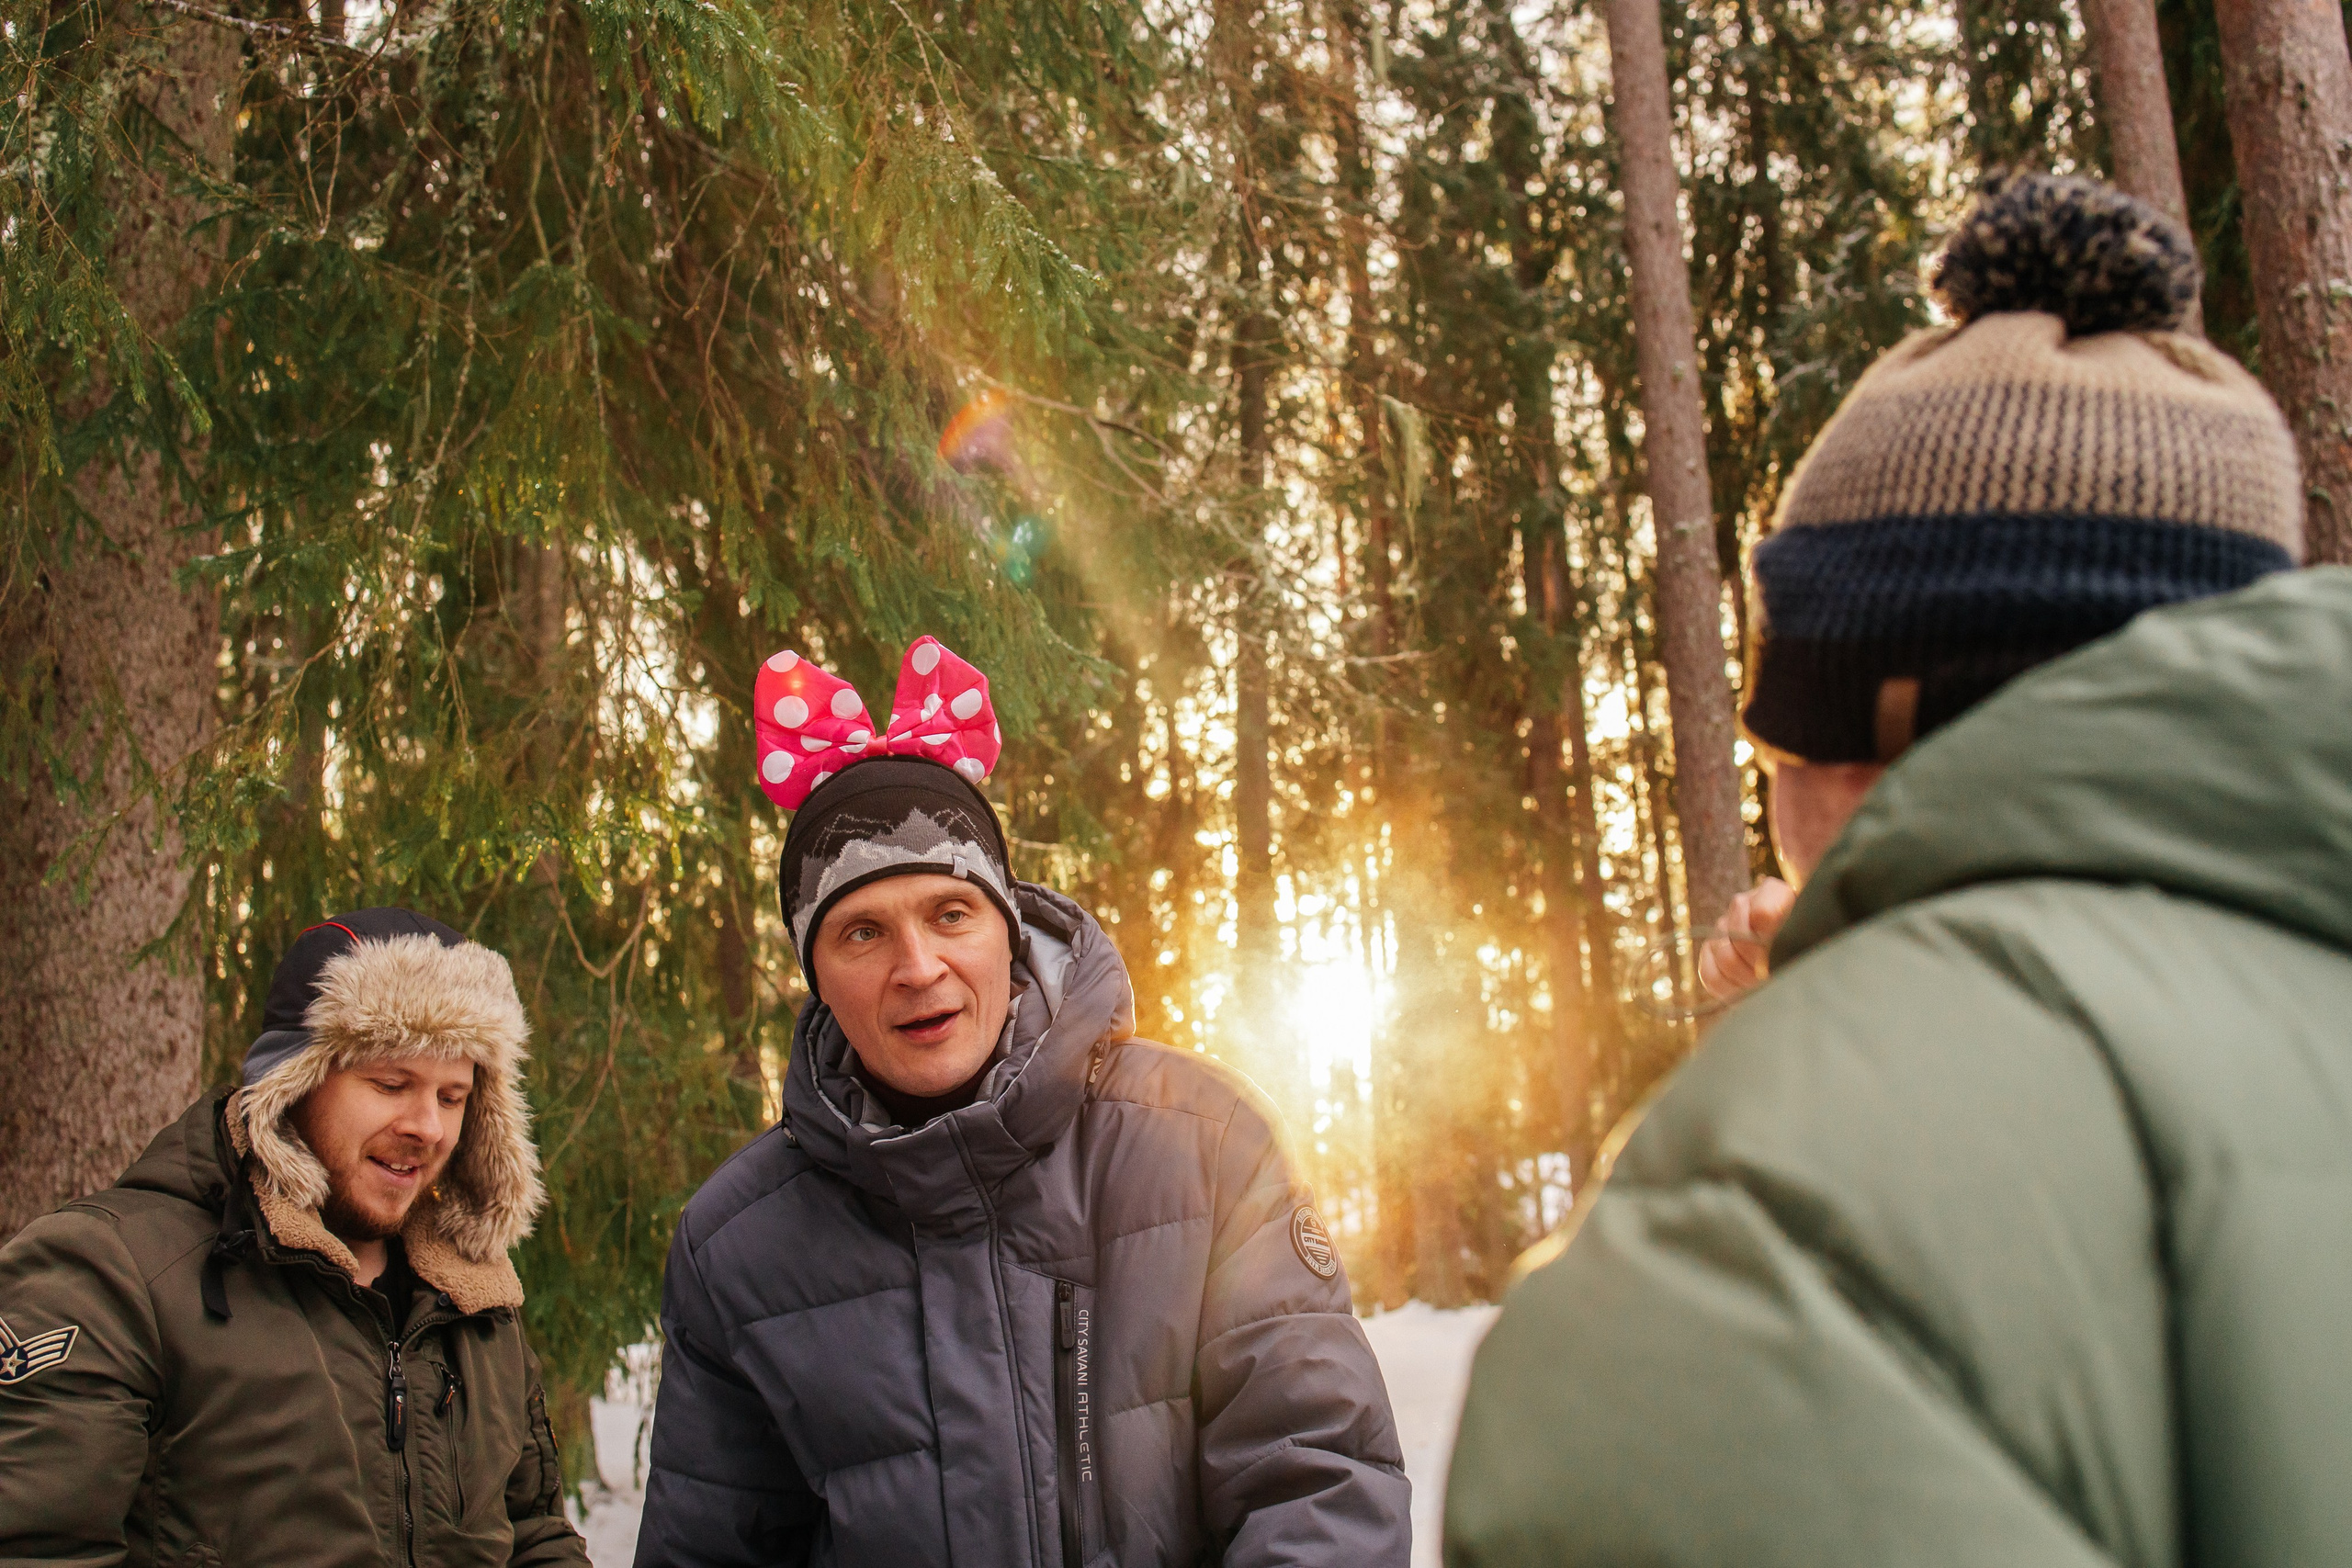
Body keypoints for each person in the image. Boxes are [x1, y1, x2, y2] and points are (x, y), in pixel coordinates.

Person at [1446, 174, 2352, 1564]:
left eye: (1781, 708)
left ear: (1887, 713)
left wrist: (1837, 1061)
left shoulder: (1765, 1227)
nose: (1764, 763)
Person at [634, 637, 1409, 1568]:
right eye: (862, 932)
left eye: (949, 914)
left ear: (1007, 927)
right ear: (815, 975)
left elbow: (1318, 1474)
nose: (917, 968)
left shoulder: (1201, 1145)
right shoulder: (735, 1248)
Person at [0, 907, 587, 1568]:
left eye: (452, 1096)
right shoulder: (111, 1274)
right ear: (293, 1081)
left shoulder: (476, 1296)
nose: (428, 1125)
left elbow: (534, 1536)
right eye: (392, 1083)